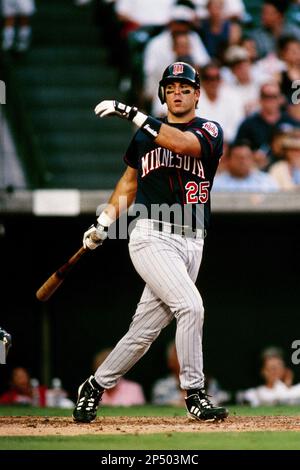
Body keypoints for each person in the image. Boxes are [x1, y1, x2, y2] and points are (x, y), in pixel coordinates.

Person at [72, 61, 229, 424]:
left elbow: (182, 143)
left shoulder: (209, 129)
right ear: (163, 93)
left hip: (193, 240)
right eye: (171, 87)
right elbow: (128, 184)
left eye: (185, 88)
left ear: (197, 94)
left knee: (142, 333)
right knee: (191, 307)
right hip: (151, 234)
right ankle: (195, 393)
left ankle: (94, 386)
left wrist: (131, 112)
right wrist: (104, 221)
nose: (177, 92)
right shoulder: (144, 136)